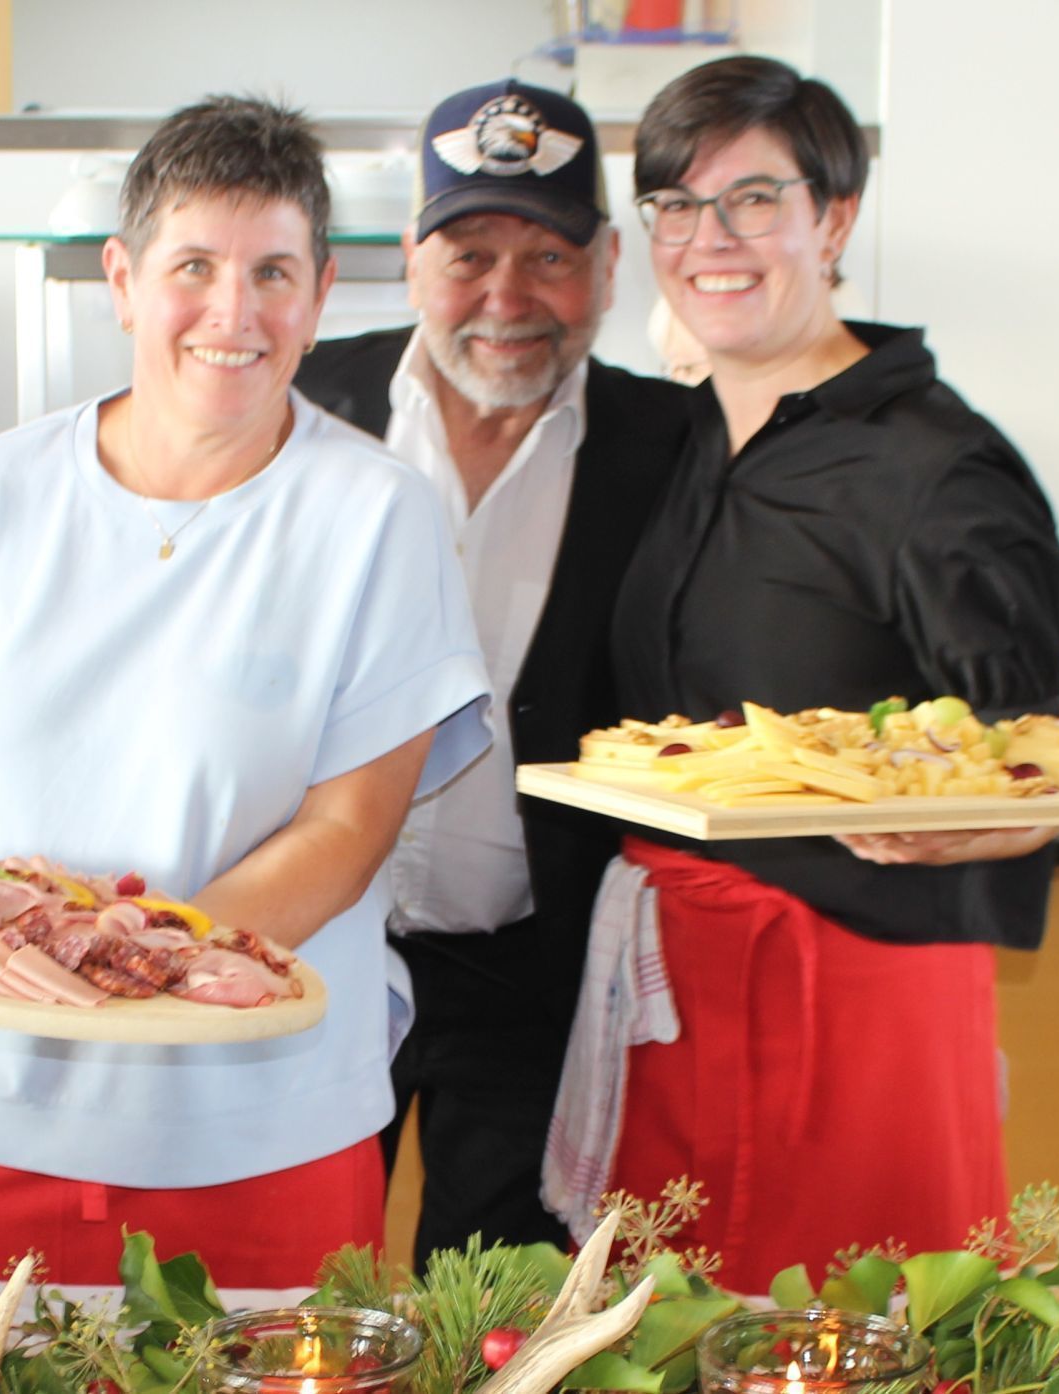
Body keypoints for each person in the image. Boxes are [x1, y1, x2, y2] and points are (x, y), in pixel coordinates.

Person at [0, 95, 491, 1287]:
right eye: (193, 266)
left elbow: (346, 831)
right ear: (123, 281)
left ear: (319, 295)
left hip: (254, 1127)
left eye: (271, 271)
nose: (233, 312)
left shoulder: (372, 515)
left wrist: (126, 957)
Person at [562, 55, 1059, 1290]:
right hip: (676, 979)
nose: (708, 238)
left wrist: (967, 824)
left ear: (833, 219)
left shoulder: (936, 470)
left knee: (852, 1327)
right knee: (669, 1331)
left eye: (752, 199)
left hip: (851, 988)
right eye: (676, 205)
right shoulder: (683, 433)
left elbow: (1035, 757)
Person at [294, 79, 692, 1265]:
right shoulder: (300, 409)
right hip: (309, 951)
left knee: (496, 1312)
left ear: (607, 267)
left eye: (548, 257)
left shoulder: (674, 448)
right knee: (282, 1292)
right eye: (468, 255)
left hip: (535, 974)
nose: (506, 298)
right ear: (411, 261)